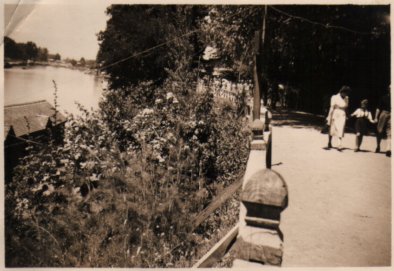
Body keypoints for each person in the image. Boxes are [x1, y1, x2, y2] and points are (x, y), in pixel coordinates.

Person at [326, 86, 351, 150]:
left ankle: (339, 144)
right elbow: (331, 107)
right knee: (332, 128)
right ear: (342, 92)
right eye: (345, 93)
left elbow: (346, 108)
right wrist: (329, 116)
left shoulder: (347, 98)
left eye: (347, 93)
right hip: (335, 113)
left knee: (341, 128)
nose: (346, 95)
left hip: (342, 114)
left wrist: (347, 115)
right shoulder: (334, 97)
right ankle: (329, 142)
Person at [375, 86, 391, 157]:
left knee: (390, 132)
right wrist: (376, 117)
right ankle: (378, 145)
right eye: (390, 88)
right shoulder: (384, 98)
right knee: (379, 131)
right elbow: (378, 108)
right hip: (384, 114)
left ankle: (388, 149)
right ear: (388, 89)